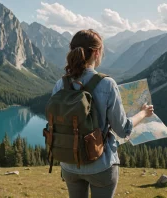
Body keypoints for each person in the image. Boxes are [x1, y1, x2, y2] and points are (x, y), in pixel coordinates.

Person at [51, 29, 154, 198]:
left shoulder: (60, 84)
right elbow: (123, 130)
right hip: (100, 164)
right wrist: (143, 113)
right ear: (97, 53)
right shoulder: (107, 84)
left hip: (69, 163)